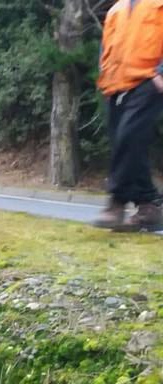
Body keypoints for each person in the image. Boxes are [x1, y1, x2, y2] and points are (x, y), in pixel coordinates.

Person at [94, 0, 163, 232]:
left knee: (129, 135)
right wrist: (105, 80)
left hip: (149, 80)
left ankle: (117, 201)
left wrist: (160, 73)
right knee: (125, 144)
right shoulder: (116, 9)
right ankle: (148, 206)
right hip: (116, 85)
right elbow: (106, 49)